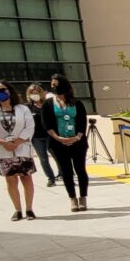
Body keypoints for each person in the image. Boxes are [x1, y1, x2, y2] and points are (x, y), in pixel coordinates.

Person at [0, 81, 37, 221]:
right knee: (10, 180)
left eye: (2, 89)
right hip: (3, 149)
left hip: (22, 148)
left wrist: (18, 142)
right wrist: (2, 142)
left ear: (9, 91)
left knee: (26, 178)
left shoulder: (22, 109)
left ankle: (29, 209)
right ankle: (17, 210)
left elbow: (29, 126)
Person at [41, 74, 90, 212]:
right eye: (52, 85)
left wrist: (77, 137)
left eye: (56, 84)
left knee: (80, 170)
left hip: (77, 142)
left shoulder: (77, 103)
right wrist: (58, 138)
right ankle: (72, 198)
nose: (54, 87)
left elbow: (82, 122)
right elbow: (46, 123)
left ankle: (83, 197)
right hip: (58, 144)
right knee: (66, 171)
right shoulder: (48, 104)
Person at [25, 83, 57, 186]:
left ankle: (62, 173)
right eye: (32, 93)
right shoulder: (27, 107)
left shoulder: (47, 104)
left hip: (50, 135)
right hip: (36, 137)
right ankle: (50, 178)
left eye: (36, 93)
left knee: (57, 156)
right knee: (43, 158)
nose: (35, 95)